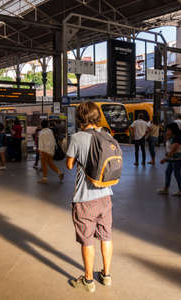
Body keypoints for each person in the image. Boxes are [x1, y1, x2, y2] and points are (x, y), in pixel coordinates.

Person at [66, 101, 114, 293]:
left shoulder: (77, 138)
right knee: (106, 236)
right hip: (106, 195)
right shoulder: (107, 135)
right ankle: (106, 275)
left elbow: (69, 165)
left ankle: (88, 280)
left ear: (81, 118)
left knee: (87, 240)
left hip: (85, 198)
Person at [157, 122, 181, 196]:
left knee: (177, 174)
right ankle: (166, 189)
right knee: (168, 172)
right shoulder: (172, 137)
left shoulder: (177, 138)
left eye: (168, 130)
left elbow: (173, 150)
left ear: (173, 130)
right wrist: (167, 136)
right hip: (173, 158)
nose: (167, 131)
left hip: (177, 158)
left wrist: (165, 159)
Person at [38, 119, 64, 184]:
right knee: (50, 163)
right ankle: (59, 173)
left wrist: (40, 150)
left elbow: (40, 142)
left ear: (41, 125)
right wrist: (52, 150)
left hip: (44, 150)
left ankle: (44, 178)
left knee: (44, 164)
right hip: (50, 150)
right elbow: (53, 140)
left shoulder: (41, 132)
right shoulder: (50, 131)